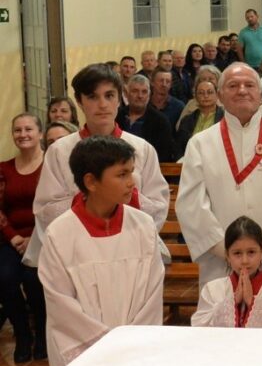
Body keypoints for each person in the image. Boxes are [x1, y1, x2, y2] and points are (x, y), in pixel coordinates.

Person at [177, 63, 262, 307]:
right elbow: (191, 205)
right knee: (223, 325)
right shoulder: (200, 144)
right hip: (221, 263)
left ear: (261, 95)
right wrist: (229, 253)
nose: (242, 90)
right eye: (233, 85)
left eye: (249, 85)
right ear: (220, 96)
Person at [37, 136, 164, 366]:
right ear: (91, 182)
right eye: (122, 174)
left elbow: (152, 295)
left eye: (132, 172)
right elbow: (63, 308)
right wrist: (107, 347)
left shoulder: (143, 226)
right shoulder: (60, 234)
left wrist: (128, 343)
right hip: (85, 358)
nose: (132, 183)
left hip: (135, 351)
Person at [33, 63, 169, 268]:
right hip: (77, 254)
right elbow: (46, 210)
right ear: (79, 101)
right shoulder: (59, 151)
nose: (103, 104)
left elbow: (158, 207)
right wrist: (92, 199)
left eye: (109, 95)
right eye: (92, 97)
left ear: (119, 98)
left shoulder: (142, 149)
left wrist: (126, 195)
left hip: (132, 250)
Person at [191, 216, 262, 329]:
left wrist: (252, 302)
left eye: (251, 252)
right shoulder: (212, 290)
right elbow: (200, 327)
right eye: (237, 253)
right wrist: (232, 302)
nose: (245, 261)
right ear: (227, 255)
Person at [1, 113, 47, 362]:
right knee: (5, 278)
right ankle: (22, 335)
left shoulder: (51, 165)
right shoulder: (4, 168)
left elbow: (55, 206)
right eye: (17, 130)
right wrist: (13, 237)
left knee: (34, 280)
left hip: (43, 238)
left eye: (28, 129)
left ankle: (42, 335)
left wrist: (35, 238)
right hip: (12, 238)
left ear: (40, 133)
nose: (23, 134)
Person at [117, 73, 175, 163]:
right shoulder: (117, 117)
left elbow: (163, 156)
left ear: (149, 95)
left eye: (144, 92)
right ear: (126, 94)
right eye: (135, 91)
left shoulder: (160, 122)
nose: (140, 96)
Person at [175, 74, 224, 160]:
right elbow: (179, 147)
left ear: (217, 95)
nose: (205, 96)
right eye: (201, 93)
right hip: (190, 161)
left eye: (210, 92)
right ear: (196, 97)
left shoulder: (225, 118)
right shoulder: (187, 120)